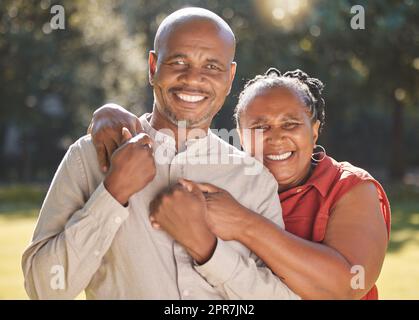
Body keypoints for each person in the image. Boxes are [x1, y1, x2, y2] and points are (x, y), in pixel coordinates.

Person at [21, 8, 299, 300]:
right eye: (178, 61)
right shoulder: (89, 157)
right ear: (153, 66)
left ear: (229, 77)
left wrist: (207, 249)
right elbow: (43, 290)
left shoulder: (254, 180)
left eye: (212, 67)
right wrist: (112, 194)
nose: (193, 78)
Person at [90, 68, 390, 299]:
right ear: (239, 137)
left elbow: (347, 286)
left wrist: (245, 224)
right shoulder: (223, 178)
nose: (275, 137)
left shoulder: (350, 188)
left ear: (314, 130)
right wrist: (108, 114)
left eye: (290, 124)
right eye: (259, 127)